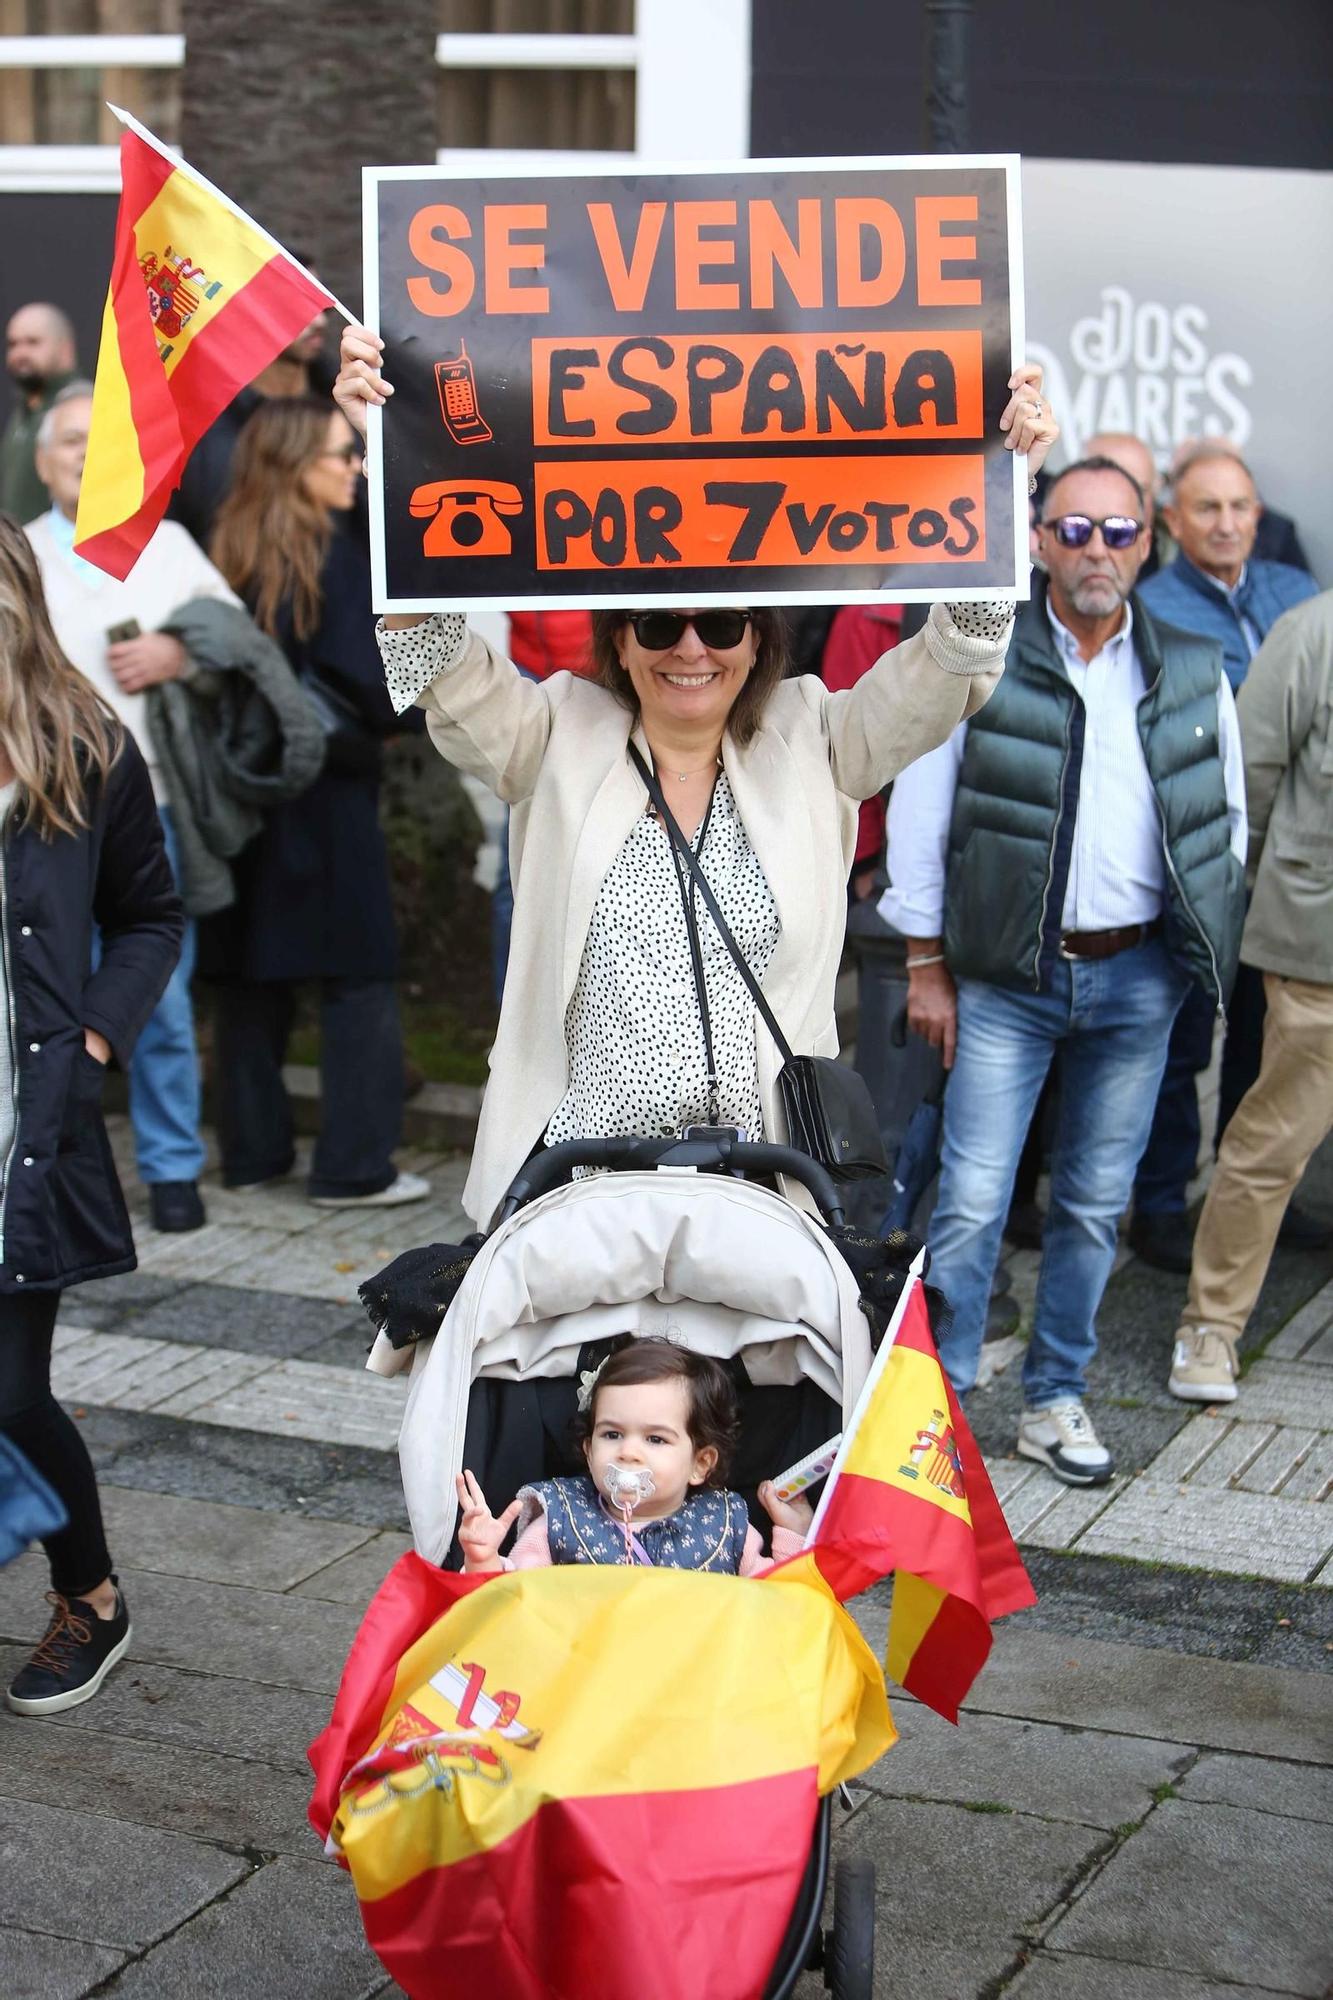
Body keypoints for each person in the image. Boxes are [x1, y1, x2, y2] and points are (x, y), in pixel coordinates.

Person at [333, 322, 1058, 1235]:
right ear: (619, 641)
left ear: (757, 641)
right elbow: (436, 657)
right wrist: (390, 454)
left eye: (719, 624)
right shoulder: (555, 733)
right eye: (657, 624)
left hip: (761, 1188)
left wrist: (1003, 484)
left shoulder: (815, 737)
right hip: (577, 1183)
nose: (689, 648)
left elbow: (947, 664)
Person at [883, 455, 1247, 1486]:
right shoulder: (979, 654)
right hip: (1006, 978)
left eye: (1118, 532)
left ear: (1146, 544)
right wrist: (924, 959)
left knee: (1093, 1204)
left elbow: (1223, 819)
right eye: (1074, 530)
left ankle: (1052, 1396)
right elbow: (919, 810)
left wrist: (1195, 953)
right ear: (1037, 539)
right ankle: (939, 1418)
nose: (1096, 550)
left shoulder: (1189, 661)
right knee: (970, 1200)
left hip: (1137, 982)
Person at [0, 514, 184, 1714]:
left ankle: (93, 1595)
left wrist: (98, 1036)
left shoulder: (79, 742)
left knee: (9, 1396)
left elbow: (152, 913)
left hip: (24, 1120)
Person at [27, 382, 242, 1233]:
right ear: (40, 461)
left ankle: (171, 1167)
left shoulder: (169, 544)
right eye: (67, 439)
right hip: (42, 810)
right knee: (42, 999)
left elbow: (237, 638)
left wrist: (178, 649)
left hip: (145, 803)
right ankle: (46, 1159)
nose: (82, 452)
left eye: (96, 439)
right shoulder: (23, 552)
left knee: (157, 990)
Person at [204, 397, 429, 1208]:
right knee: (358, 978)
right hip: (326, 797)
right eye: (340, 454)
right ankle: (352, 1167)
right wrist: (398, 717)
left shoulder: (228, 552)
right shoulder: (329, 555)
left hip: (245, 795)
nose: (354, 468)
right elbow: (376, 687)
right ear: (294, 463)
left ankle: (252, 1154)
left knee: (247, 981)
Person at [1129, 444, 1323, 1271]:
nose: (1227, 524)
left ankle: (1248, 1201)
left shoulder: (1292, 592)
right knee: (1182, 1042)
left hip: (1281, 872)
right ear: (1172, 521)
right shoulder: (1151, 607)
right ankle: (1162, 1203)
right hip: (1195, 852)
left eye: (1240, 507)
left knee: (1259, 1042)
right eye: (1206, 508)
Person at [1169, 592, 1333, 1402]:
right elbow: (1249, 789)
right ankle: (1210, 1326)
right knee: (1270, 1147)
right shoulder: (1311, 634)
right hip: (1320, 954)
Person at [455, 1338, 812, 1575]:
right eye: (612, 1434)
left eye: (655, 1439)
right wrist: (483, 1558)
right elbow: (511, 1604)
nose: (628, 1452)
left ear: (700, 1464)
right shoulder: (559, 1520)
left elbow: (776, 1606)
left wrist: (793, 1536)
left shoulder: (725, 1527)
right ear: (589, 1450)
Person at [171, 290, 334, 547]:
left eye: (322, 306)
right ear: (253, 313)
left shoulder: (346, 405)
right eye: (299, 306)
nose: (319, 321)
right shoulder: (200, 429)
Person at [1, 303, 77, 526]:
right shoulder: (23, 411)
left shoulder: (80, 408)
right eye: (13, 344)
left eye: (33, 342)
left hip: (61, 552)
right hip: (18, 550)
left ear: (65, 349)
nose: (20, 353)